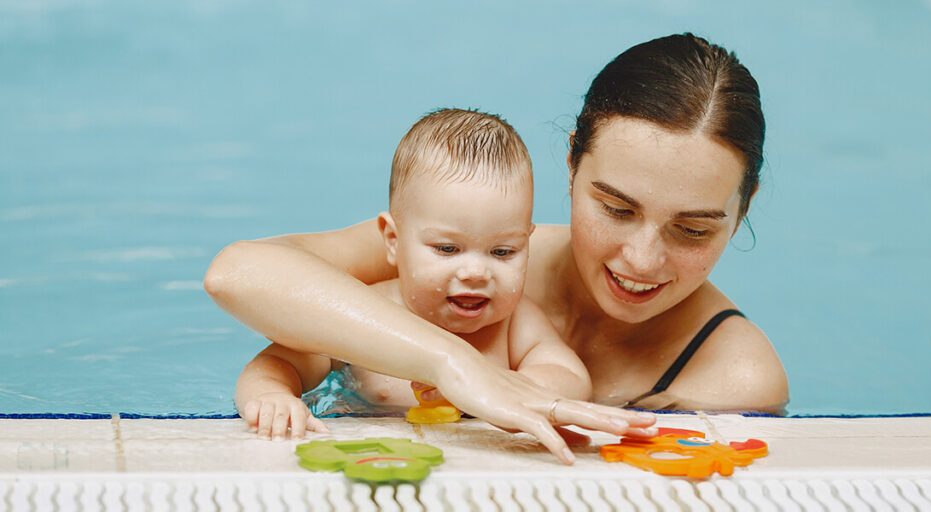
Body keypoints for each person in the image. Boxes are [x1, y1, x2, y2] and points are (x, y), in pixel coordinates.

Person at [205, 33, 787, 465]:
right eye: (615, 208)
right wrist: (452, 362)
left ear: (746, 205)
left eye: (693, 229)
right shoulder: (458, 247)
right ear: (570, 165)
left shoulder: (734, 376)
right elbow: (237, 275)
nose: (640, 260)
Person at [233, 109, 597, 440]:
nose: (474, 272)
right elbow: (277, 364)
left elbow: (571, 377)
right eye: (447, 249)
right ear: (393, 240)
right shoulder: (366, 314)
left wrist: (507, 386)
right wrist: (272, 397)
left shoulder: (515, 324)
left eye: (503, 252)